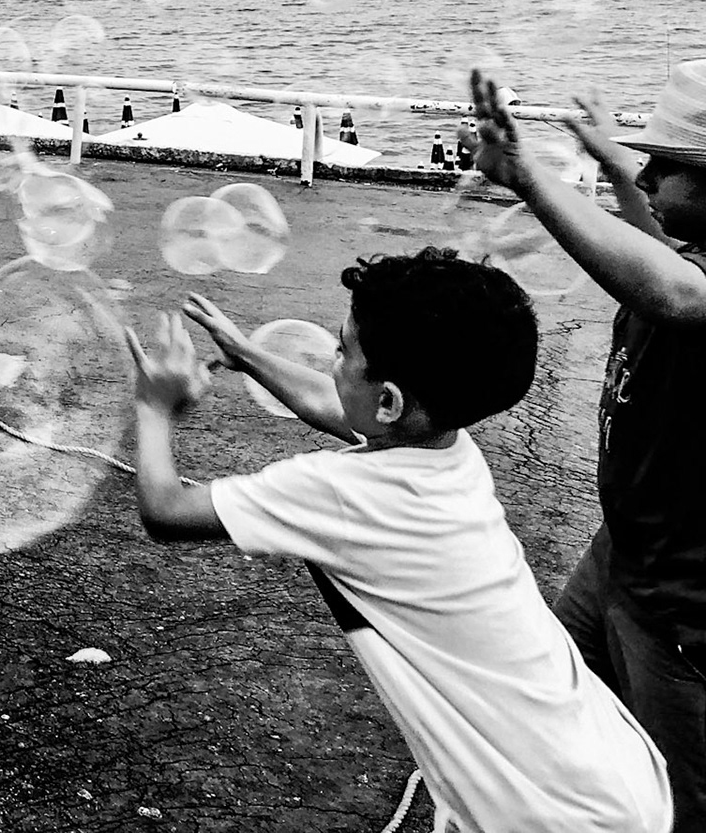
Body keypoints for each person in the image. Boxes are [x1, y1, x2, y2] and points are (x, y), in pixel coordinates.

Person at [128, 254, 671, 833]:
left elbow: (165, 509)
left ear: (387, 401)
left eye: (343, 352)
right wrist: (248, 355)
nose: (333, 362)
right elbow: (343, 409)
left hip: (542, 813)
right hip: (607, 770)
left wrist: (153, 405)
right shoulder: (448, 447)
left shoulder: (340, 493)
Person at [473, 62, 706, 831]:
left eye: (665, 163)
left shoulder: (688, 285)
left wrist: (529, 177)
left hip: (685, 599)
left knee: (680, 799)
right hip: (621, 554)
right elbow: (660, 262)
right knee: (558, 728)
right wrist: (611, 166)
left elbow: (674, 293)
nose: (645, 171)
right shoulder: (684, 254)